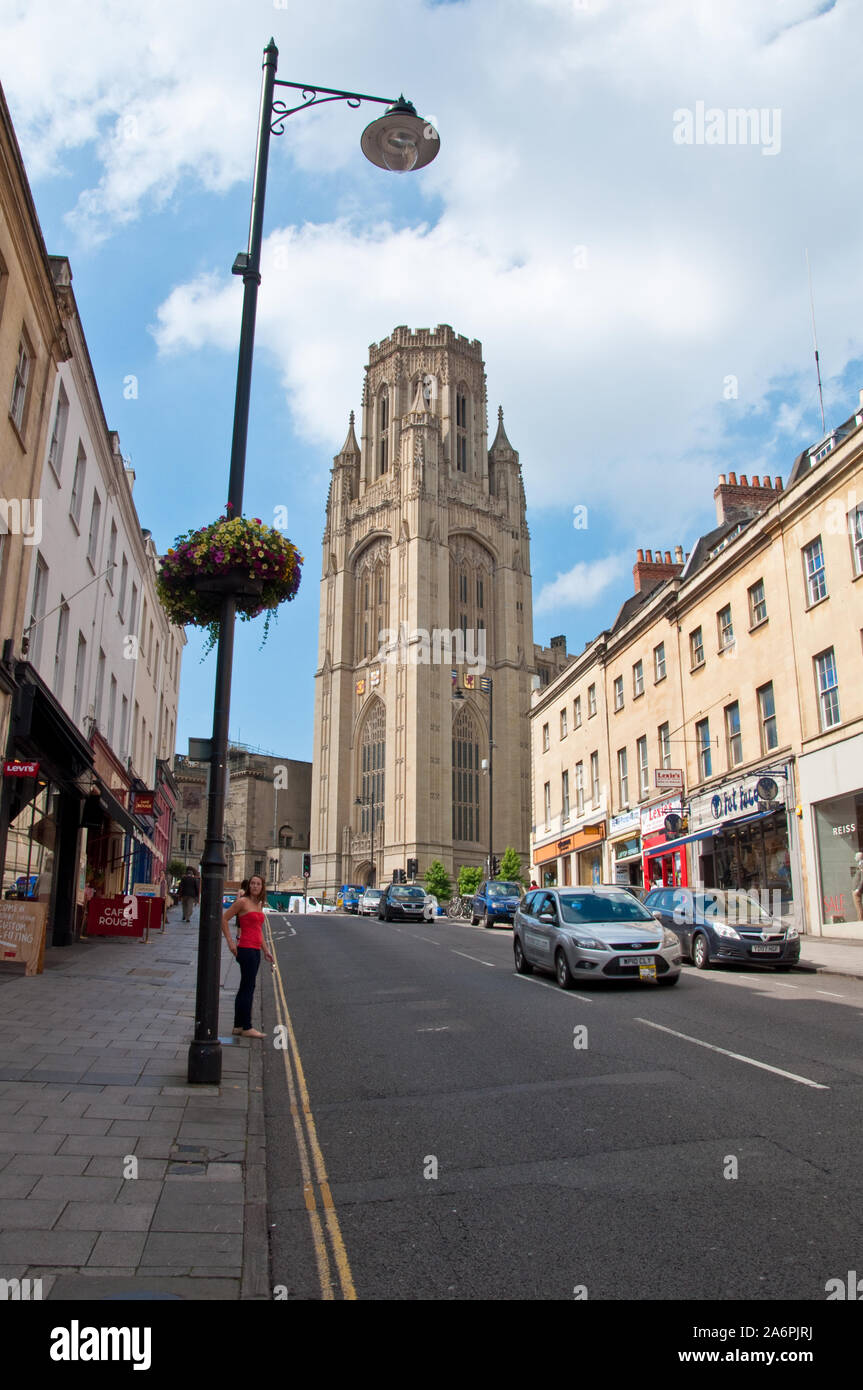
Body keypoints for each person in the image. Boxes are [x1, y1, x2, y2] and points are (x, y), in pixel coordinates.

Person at [221, 874, 274, 1038]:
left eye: (258, 884)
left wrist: (266, 951)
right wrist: (230, 942)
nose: (255, 886)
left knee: (245, 987)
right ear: (249, 886)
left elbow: (258, 931)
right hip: (246, 949)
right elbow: (224, 918)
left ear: (262, 887)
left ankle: (238, 1025)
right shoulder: (242, 902)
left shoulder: (258, 905)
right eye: (253, 883)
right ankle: (247, 1027)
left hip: (255, 950)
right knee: (248, 988)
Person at [852, 852, 863, 922]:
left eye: (856, 856)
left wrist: (858, 889)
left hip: (857, 889)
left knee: (858, 905)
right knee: (857, 906)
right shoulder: (859, 864)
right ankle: (860, 919)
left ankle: (860, 920)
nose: (854, 857)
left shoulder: (862, 865)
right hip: (855, 889)